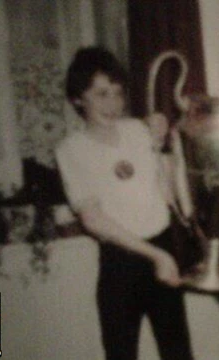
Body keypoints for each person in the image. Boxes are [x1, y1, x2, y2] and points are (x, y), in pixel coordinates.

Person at [55, 46, 194, 360]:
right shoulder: (71, 149)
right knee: (120, 353)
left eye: (117, 93)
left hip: (163, 245)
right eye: (101, 94)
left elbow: (170, 194)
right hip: (121, 263)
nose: (113, 103)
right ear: (78, 98)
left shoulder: (138, 130)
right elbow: (93, 220)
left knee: (179, 353)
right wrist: (155, 255)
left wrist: (169, 146)